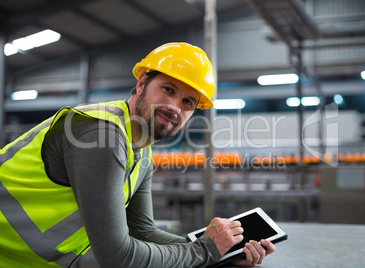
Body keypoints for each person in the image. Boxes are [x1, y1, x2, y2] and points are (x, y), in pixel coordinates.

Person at [0, 42, 275, 267]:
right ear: (142, 83)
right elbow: (117, 257)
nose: (174, 107)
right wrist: (204, 252)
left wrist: (223, 251)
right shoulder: (100, 135)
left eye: (188, 102)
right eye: (168, 90)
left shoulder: (142, 152)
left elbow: (142, 231)